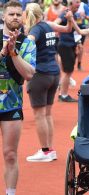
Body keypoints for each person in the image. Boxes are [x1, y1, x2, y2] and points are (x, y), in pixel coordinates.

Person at [24, 3, 72, 162]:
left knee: (39, 115)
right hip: (53, 74)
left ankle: (45, 151)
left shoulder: (35, 29)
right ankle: (49, 149)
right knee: (47, 114)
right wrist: (70, 20)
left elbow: (30, 41)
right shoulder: (48, 25)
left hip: (40, 75)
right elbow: (67, 29)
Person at [0, 1, 36, 194]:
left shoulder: (28, 43)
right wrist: (3, 52)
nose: (15, 17)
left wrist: (13, 52)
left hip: (11, 105)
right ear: (3, 16)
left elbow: (29, 74)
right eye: (11, 14)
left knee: (10, 154)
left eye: (17, 14)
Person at [54, 0, 81, 102]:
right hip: (65, 45)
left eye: (79, 2)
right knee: (67, 71)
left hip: (71, 45)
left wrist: (78, 44)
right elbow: (55, 23)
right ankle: (63, 95)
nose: (78, 4)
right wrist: (58, 30)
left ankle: (62, 92)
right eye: (77, 2)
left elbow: (76, 31)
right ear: (71, 3)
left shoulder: (75, 15)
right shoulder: (65, 13)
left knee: (68, 71)